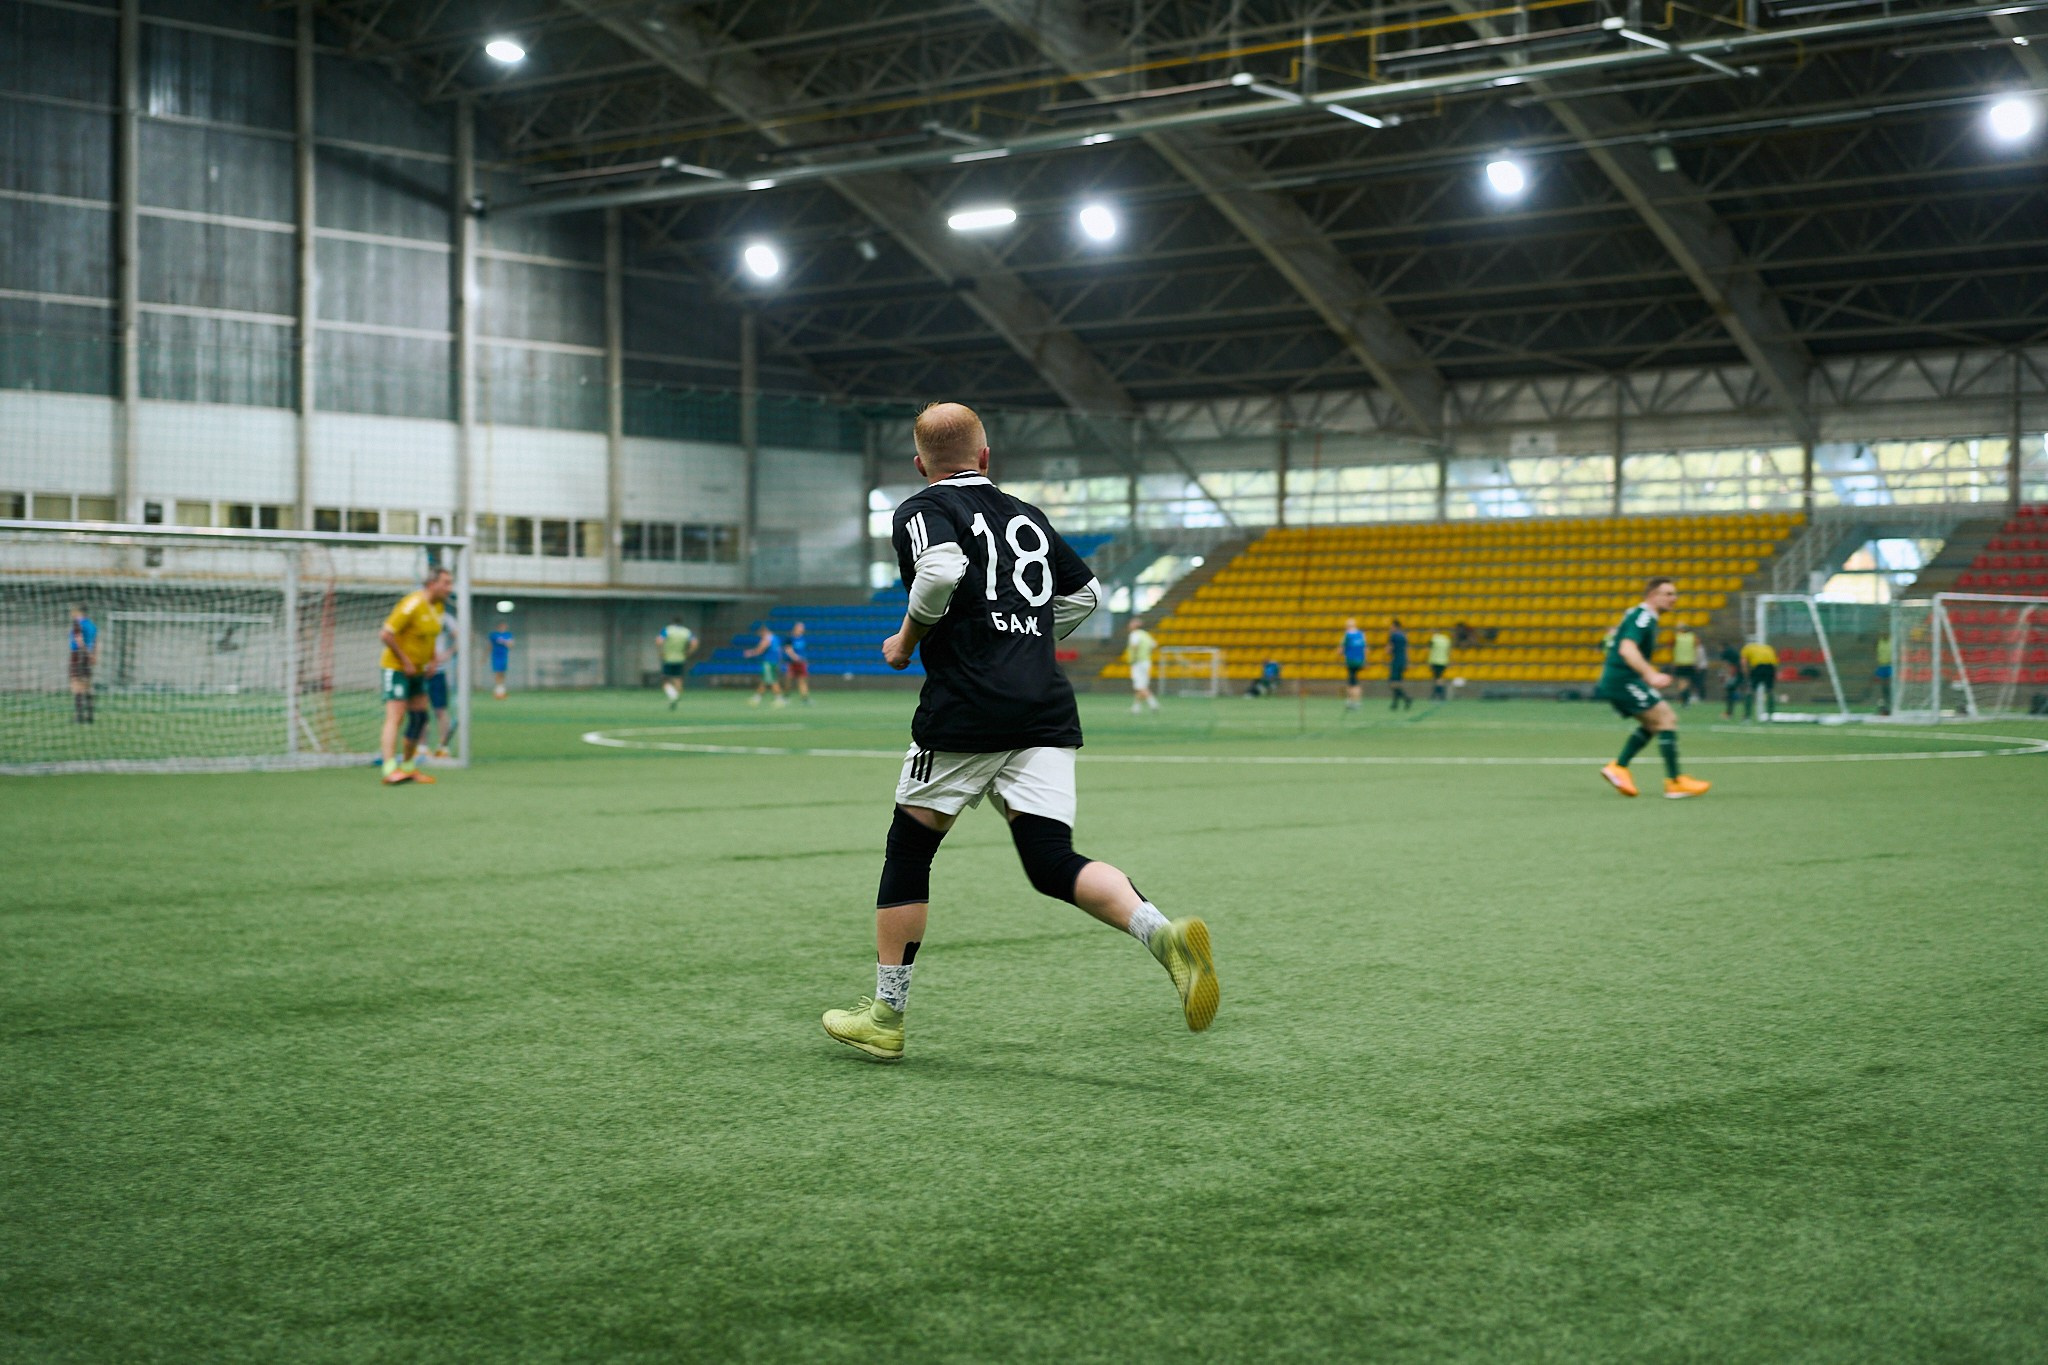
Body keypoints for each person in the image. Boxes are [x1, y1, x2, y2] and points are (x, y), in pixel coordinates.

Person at [820, 401, 1217, 1063]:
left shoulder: (922, 508)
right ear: (985, 457)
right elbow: (1084, 594)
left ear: (920, 464)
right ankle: (1161, 934)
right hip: (1042, 707)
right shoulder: (1026, 515)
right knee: (1049, 860)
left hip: (967, 710)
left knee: (910, 848)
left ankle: (886, 1015)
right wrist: (1024, 641)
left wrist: (905, 639)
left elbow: (941, 570)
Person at [1595, 577, 1711, 800]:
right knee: (1666, 718)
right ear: (1652, 596)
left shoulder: (1643, 616)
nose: (1673, 598)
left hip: (1623, 679)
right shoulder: (1644, 618)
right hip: (1622, 680)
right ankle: (1675, 782)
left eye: (1674, 594)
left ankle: (1619, 768)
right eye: (1667, 594)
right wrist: (1650, 674)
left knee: (1655, 723)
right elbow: (1627, 649)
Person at [377, 567, 453, 786]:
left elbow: (428, 638)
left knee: (420, 718)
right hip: (396, 668)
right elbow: (386, 634)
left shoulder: (439, 607)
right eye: (446, 583)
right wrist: (406, 661)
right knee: (397, 716)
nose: (450, 588)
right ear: (432, 584)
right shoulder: (412, 604)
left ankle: (408, 767)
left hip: (418, 670)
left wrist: (433, 660)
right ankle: (389, 769)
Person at [427, 608, 458, 758]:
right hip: (417, 669)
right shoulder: (414, 612)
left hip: (437, 671)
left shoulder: (445, 618)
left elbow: (463, 638)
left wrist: (448, 653)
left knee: (440, 709)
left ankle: (443, 747)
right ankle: (420, 748)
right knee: (418, 710)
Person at [743, 623, 785, 708]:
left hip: (768, 662)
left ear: (763, 632)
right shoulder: (776, 638)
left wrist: (750, 653)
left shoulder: (767, 638)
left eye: (760, 635)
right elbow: (780, 651)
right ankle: (757, 698)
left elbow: (760, 650)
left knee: (772, 680)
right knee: (765, 680)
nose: (760, 637)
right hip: (775, 662)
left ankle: (779, 699)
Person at [658, 617, 696, 709]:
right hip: (680, 658)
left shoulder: (667, 630)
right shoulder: (686, 631)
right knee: (678, 679)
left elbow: (659, 641)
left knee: (665, 681)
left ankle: (673, 695)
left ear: (672, 622)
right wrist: (689, 652)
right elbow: (694, 642)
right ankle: (676, 697)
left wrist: (661, 651)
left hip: (668, 658)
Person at [67, 604, 96, 724]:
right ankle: (90, 716)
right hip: (88, 656)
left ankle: (79, 716)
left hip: (78, 655)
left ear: (78, 611)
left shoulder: (77, 623)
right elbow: (96, 642)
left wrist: (85, 654)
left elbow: (79, 640)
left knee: (76, 685)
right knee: (87, 686)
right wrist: (93, 656)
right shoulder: (92, 625)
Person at [1124, 617, 1159, 713]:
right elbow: (1154, 645)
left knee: (1140, 686)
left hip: (1138, 662)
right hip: (1146, 661)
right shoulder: (1145, 635)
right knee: (1141, 685)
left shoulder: (1134, 635)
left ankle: (1153, 704)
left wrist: (1134, 657)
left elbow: (1134, 646)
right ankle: (1136, 707)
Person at [1740, 637, 1780, 719]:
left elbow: (1743, 662)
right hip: (1770, 668)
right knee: (1770, 691)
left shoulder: (1746, 648)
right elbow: (1775, 662)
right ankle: (1770, 716)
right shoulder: (1768, 648)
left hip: (1758, 667)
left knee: (1750, 690)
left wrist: (1746, 674)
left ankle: (1747, 716)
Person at [1670, 624, 1702, 705]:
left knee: (1681, 682)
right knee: (1688, 682)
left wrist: (1674, 661)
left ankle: (1683, 699)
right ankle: (1686, 699)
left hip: (1679, 663)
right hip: (1690, 662)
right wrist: (1697, 662)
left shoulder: (1676, 637)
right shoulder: (1693, 637)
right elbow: (1697, 649)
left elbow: (1671, 649)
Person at [1341, 618, 1367, 711]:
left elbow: (1342, 649)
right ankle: (1357, 702)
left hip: (1351, 661)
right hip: (1360, 661)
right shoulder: (1361, 634)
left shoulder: (1347, 635)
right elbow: (1365, 649)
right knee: (1355, 681)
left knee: (1351, 682)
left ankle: (1351, 702)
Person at [784, 621, 813, 705]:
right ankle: (786, 697)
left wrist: (805, 661)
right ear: (796, 628)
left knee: (802, 680)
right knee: (788, 680)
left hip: (801, 663)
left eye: (802, 627)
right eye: (800, 627)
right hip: (792, 663)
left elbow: (803, 651)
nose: (802, 629)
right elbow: (788, 649)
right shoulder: (790, 638)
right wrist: (794, 657)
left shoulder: (802, 638)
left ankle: (805, 699)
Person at [1387, 617, 1412, 710]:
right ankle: (1395, 703)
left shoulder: (1393, 636)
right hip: (1403, 660)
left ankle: (1406, 699)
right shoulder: (1404, 636)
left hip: (1396, 661)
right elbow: (1406, 650)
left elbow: (1389, 649)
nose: (1390, 628)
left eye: (1391, 626)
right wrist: (1407, 662)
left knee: (1392, 683)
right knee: (1398, 683)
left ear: (1395, 627)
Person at [488, 620, 514, 699]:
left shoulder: (508, 635)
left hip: (504, 656)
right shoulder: (494, 635)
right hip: (495, 656)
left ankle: (501, 690)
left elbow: (511, 645)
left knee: (502, 673)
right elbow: (489, 645)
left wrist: (505, 642)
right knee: (497, 673)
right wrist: (484, 657)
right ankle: (498, 690)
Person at [1719, 641, 1746, 719]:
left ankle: (1729, 713)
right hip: (1740, 673)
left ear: (1721, 647)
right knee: (1738, 692)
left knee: (1730, 692)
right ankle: (1744, 714)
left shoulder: (1725, 653)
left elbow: (1725, 665)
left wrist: (1723, 676)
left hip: (1735, 674)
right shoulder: (1733, 651)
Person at [1427, 629, 1452, 701]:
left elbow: (1430, 649)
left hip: (1435, 661)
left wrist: (1429, 661)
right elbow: (1448, 651)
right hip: (1444, 661)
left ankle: (1439, 693)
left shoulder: (1434, 639)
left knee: (1437, 678)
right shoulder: (1446, 640)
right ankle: (1438, 694)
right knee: (1439, 678)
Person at [1874, 632, 1893, 715]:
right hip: (1881, 665)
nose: (1885, 635)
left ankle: (1889, 702)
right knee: (1880, 685)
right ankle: (1882, 705)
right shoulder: (1879, 642)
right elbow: (1875, 652)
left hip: (1890, 665)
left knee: (1888, 684)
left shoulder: (1892, 642)